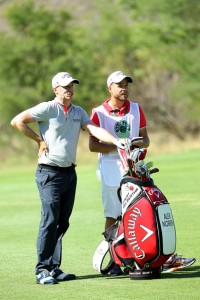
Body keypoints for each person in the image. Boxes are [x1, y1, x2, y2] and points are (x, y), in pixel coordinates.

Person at [10, 71, 126, 285]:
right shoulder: (47, 108)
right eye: (65, 87)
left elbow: (94, 129)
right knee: (49, 220)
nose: (70, 90)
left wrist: (116, 141)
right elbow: (17, 121)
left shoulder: (78, 112)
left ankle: (54, 268)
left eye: (72, 86)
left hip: (69, 173)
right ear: (56, 90)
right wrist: (38, 140)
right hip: (49, 173)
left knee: (62, 222)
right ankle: (42, 269)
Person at [89, 70, 196, 275]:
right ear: (109, 88)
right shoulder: (98, 112)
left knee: (142, 210)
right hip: (110, 168)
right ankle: (117, 260)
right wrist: (117, 146)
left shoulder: (136, 109)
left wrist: (134, 144)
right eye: (119, 85)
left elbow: (146, 140)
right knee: (113, 215)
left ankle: (152, 255)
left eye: (126, 85)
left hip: (135, 167)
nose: (124, 88)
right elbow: (93, 146)